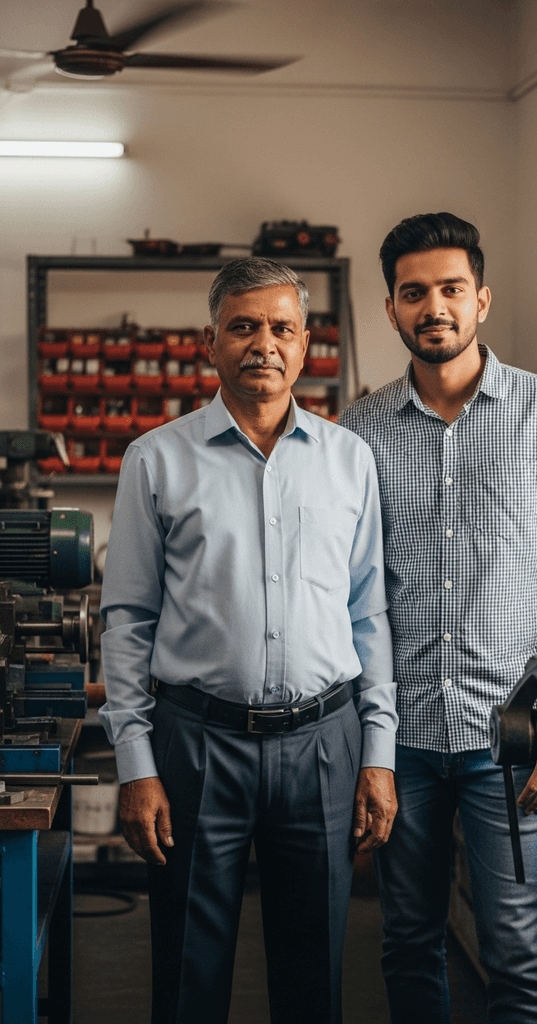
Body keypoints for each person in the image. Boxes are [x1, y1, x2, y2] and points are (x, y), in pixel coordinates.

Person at [99, 256, 398, 1024]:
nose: (263, 343)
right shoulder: (156, 459)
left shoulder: (349, 461)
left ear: (305, 344)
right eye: (243, 326)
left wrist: (377, 753)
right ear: (210, 343)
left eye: (281, 328)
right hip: (196, 744)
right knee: (188, 975)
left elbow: (368, 614)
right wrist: (136, 764)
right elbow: (127, 620)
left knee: (313, 975)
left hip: (324, 744)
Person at [339, 212, 537, 1024]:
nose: (434, 307)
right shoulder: (358, 432)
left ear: (481, 300)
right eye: (413, 292)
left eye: (451, 289)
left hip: (515, 739)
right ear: (391, 309)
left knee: (519, 954)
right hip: (400, 738)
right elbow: (348, 594)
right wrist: (364, 741)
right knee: (406, 941)